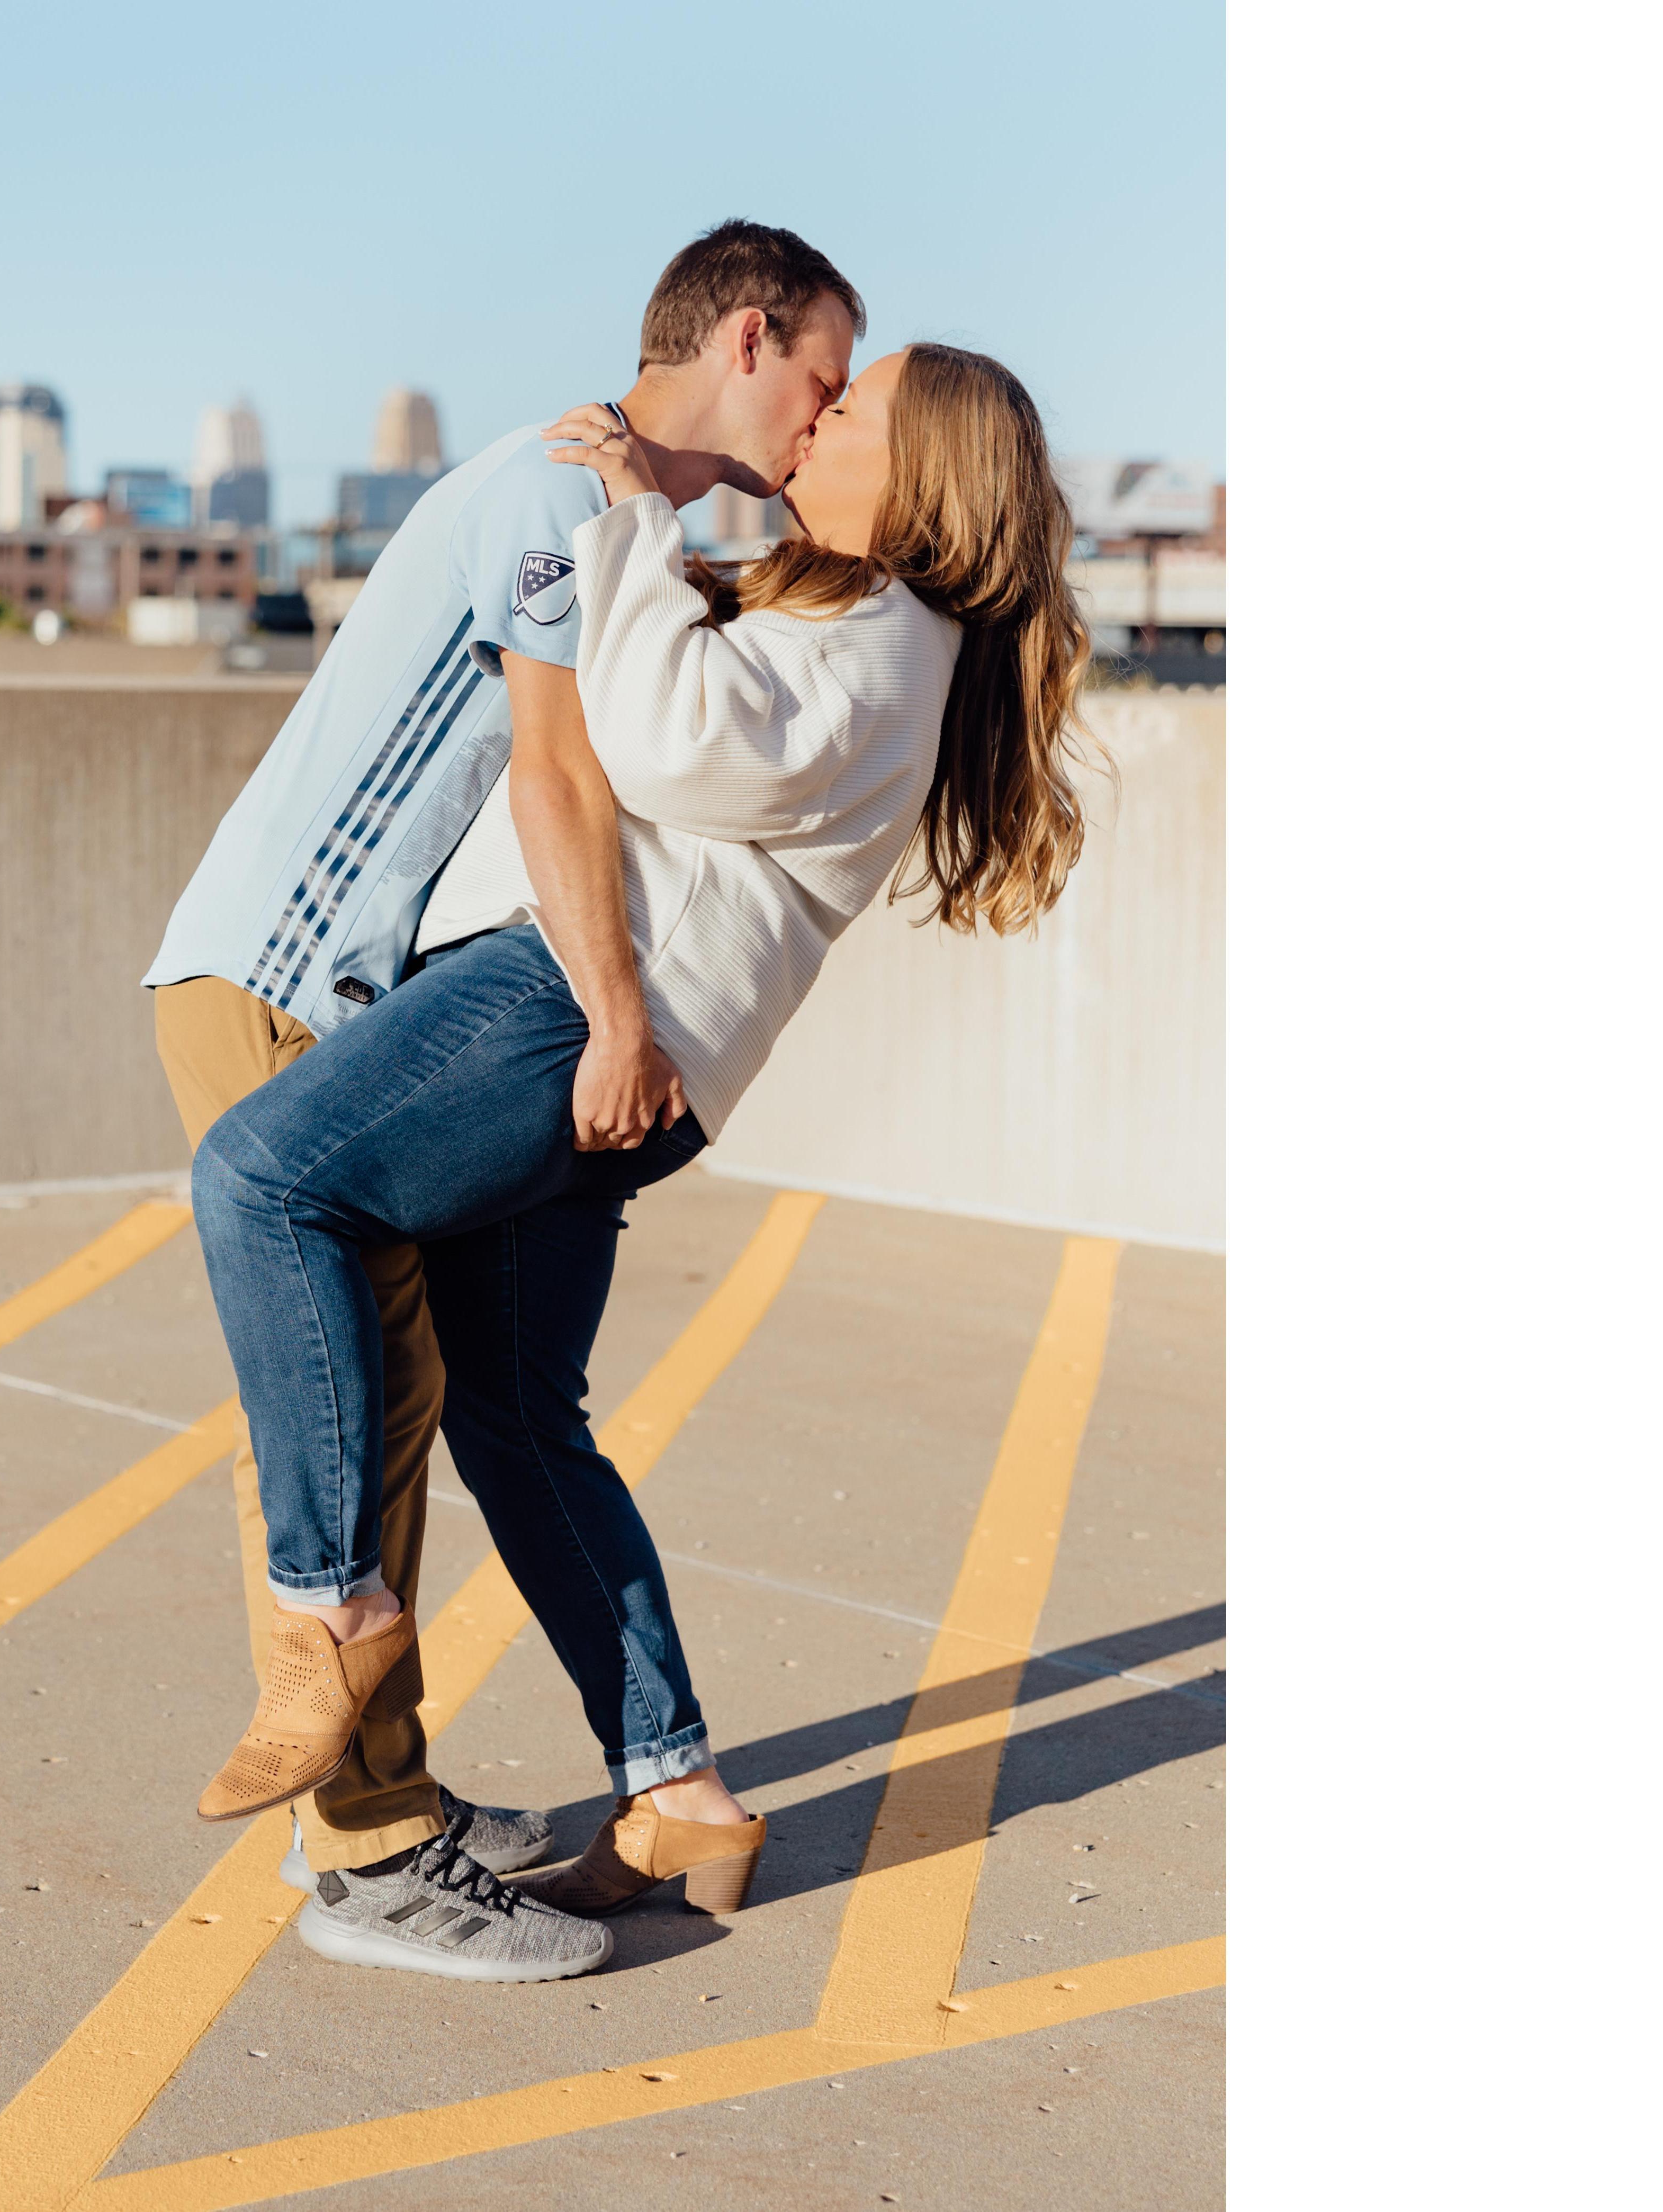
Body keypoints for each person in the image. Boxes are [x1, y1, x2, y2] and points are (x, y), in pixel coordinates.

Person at [186, 340, 1096, 1980]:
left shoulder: (895, 637)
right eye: (825, 389)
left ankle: (331, 1609)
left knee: (266, 1178)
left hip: (569, 1014)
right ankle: (677, 1792)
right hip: (621, 1052)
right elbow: (675, 671)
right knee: (519, 1420)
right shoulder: (852, 620)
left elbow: (670, 746)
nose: (821, 418)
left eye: (855, 409)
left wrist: (616, 509)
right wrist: (661, 505)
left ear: (927, 476)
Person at [147, 222, 862, 1981]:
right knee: (350, 1412)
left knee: (391, 1402)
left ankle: (391, 1801)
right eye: (825, 385)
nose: (826, 425)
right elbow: (552, 779)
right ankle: (371, 1856)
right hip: (283, 984)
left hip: (337, 992)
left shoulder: (621, 516)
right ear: (749, 336)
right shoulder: (559, 495)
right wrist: (619, 1016)